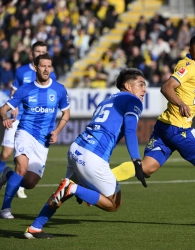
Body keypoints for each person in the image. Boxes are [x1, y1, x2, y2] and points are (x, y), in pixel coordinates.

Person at [112, 34, 195, 221]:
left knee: (147, 168)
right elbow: (167, 87)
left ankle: (102, 177)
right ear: (191, 50)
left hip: (166, 126)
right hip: (179, 128)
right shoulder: (188, 67)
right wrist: (181, 103)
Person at [23, 68, 147, 239]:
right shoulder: (133, 101)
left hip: (77, 149)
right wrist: (136, 161)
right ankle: (73, 188)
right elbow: (131, 130)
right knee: (114, 204)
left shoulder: (107, 100)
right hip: (93, 156)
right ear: (128, 86)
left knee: (63, 194)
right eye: (141, 84)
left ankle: (35, 227)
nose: (144, 90)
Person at [0, 53, 70, 219]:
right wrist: (5, 118)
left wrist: (57, 131)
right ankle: (5, 209)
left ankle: (7, 174)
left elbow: (66, 114)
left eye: (49, 66)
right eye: (43, 66)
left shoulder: (59, 89)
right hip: (25, 132)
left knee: (29, 182)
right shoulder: (25, 89)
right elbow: (3, 109)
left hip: (43, 140)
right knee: (22, 168)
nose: (46, 69)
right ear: (36, 67)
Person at [0, 41, 56, 199]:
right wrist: (13, 104)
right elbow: (14, 90)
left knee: (27, 166)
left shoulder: (50, 73)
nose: (40, 53)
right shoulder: (21, 71)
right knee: (5, 154)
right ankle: (6, 175)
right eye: (37, 51)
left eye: (43, 51)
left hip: (35, 123)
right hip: (18, 117)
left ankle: (17, 182)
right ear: (32, 53)